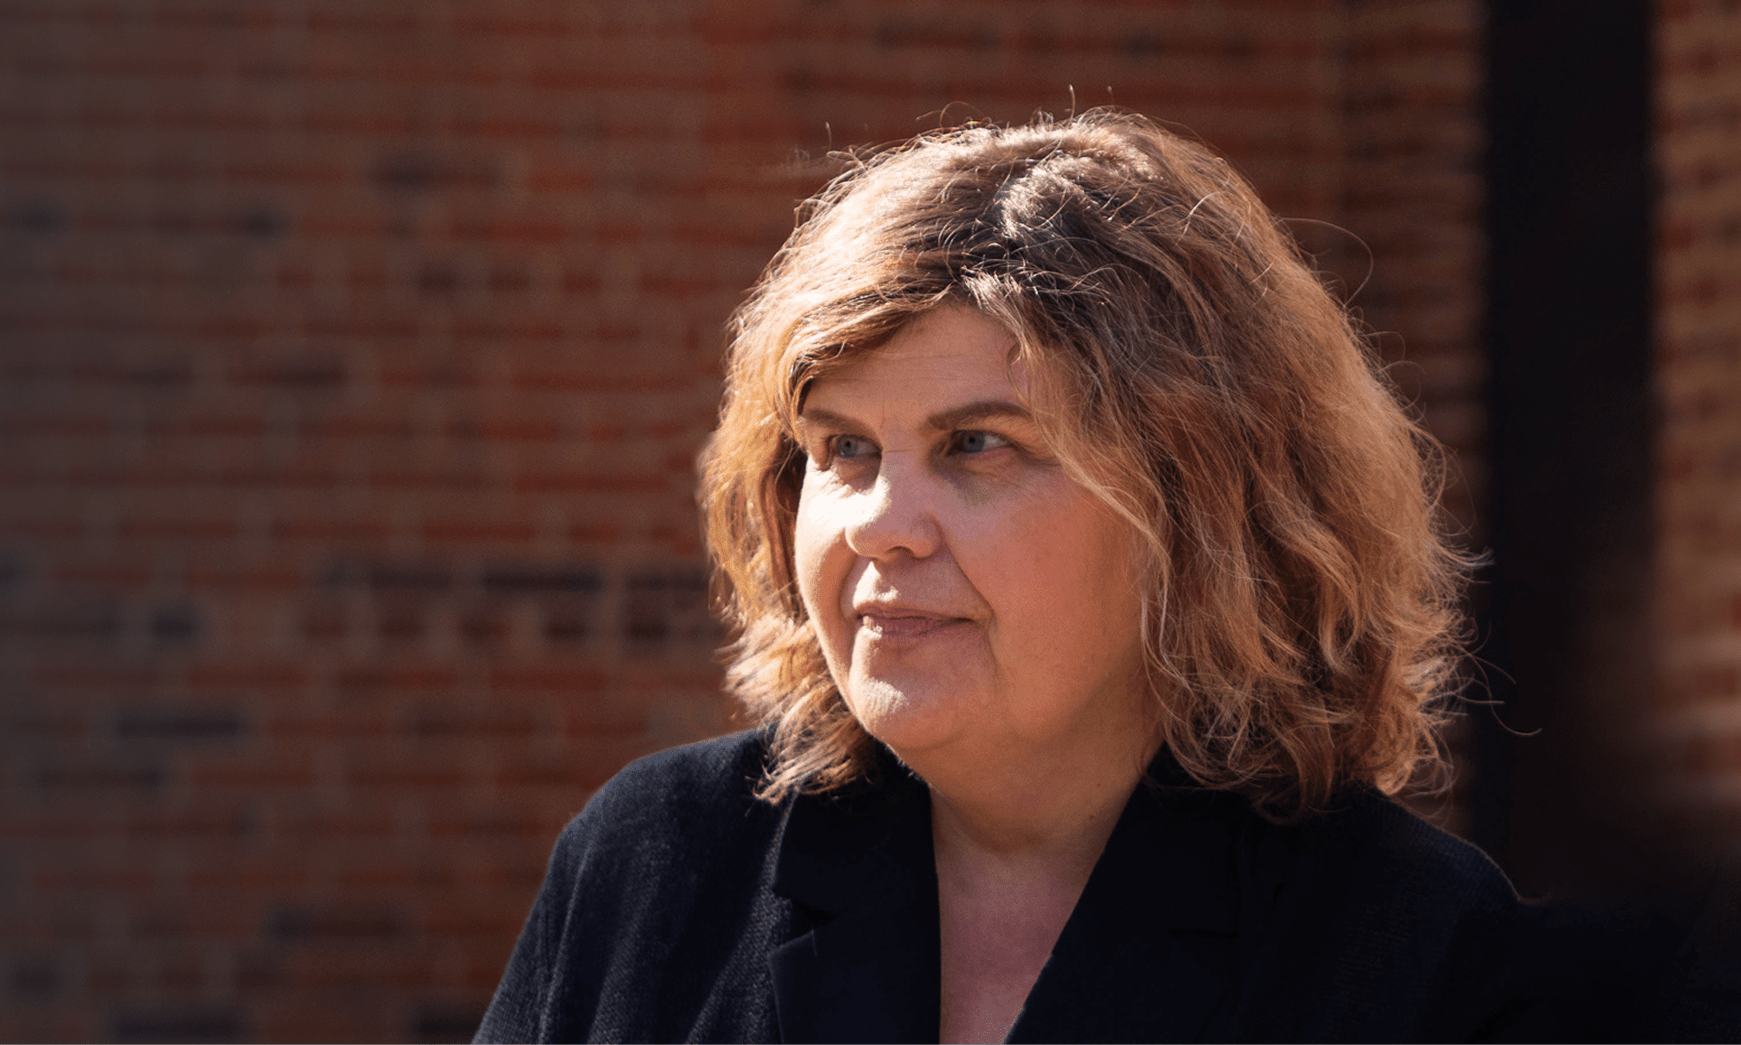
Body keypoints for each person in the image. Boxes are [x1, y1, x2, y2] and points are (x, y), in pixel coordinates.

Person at [472, 110, 1699, 1044]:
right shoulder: (654, 867)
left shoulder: (1412, 953)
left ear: (1198, 510)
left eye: (977, 446)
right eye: (845, 449)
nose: (881, 526)